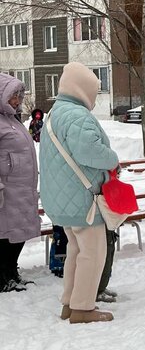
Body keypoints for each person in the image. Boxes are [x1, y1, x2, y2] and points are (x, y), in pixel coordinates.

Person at [39, 62, 118, 323]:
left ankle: (69, 304)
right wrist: (113, 158)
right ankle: (83, 308)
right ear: (82, 88)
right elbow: (90, 152)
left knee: (75, 250)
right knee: (93, 253)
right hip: (84, 201)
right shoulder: (76, 115)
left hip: (65, 200)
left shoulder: (55, 113)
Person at [0, 73, 40, 293]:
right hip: (7, 190)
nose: (17, 100)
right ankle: (2, 276)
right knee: (5, 235)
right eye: (12, 96)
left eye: (18, 95)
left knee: (18, 233)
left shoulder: (13, 121)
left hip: (22, 188)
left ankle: (11, 271)